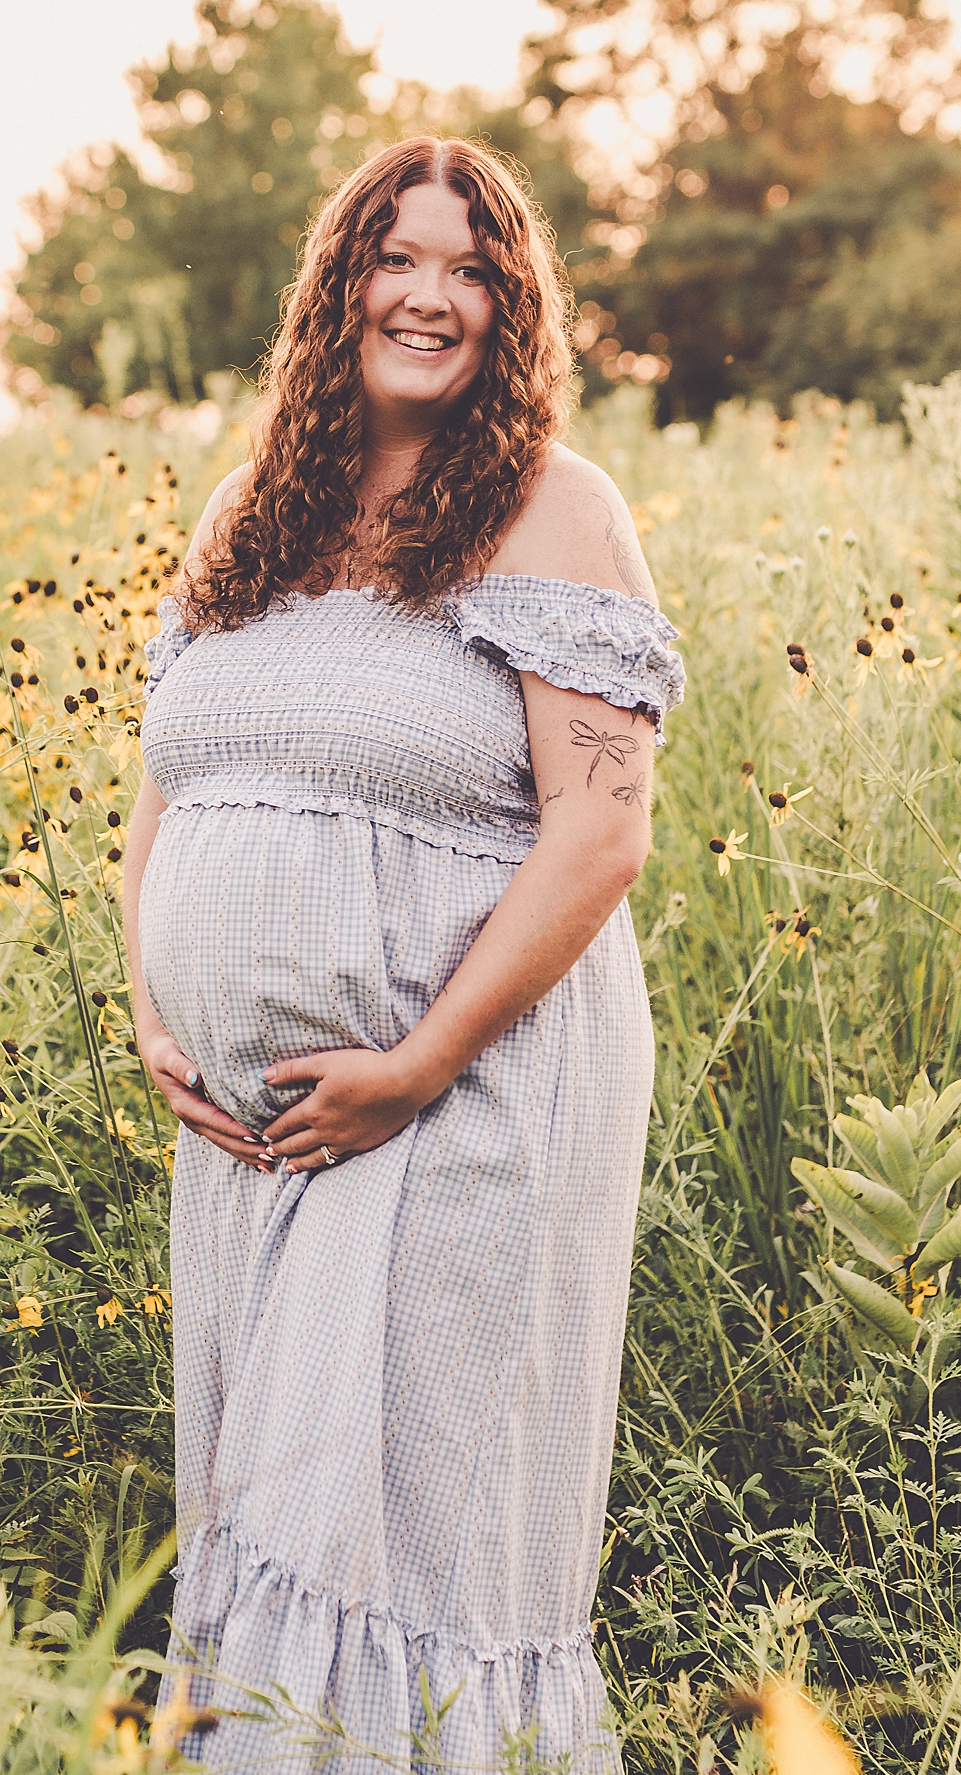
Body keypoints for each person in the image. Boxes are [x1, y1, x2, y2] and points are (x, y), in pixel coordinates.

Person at [122, 135, 686, 1772]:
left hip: (463, 1105)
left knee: (407, 1532)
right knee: (271, 1513)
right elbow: (172, 779)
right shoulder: (252, 510)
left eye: (471, 269)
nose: (430, 296)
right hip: (258, 1128)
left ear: (510, 311)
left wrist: (419, 1063)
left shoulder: (552, 507)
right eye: (399, 257)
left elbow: (601, 835)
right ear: (336, 287)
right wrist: (155, 1002)